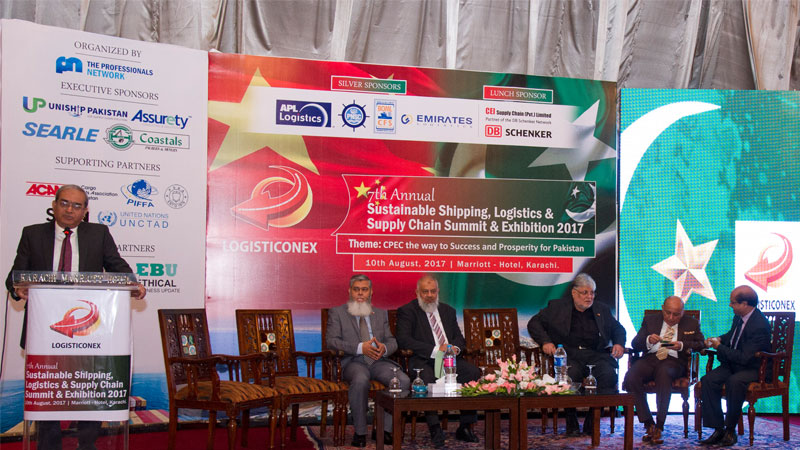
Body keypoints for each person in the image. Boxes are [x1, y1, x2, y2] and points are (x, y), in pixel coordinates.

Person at [5, 184, 145, 450]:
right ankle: (49, 446)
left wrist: (133, 284)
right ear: (54, 205)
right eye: (65, 203)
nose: (70, 210)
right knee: (48, 392)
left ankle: (87, 444)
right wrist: (17, 288)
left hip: (90, 332)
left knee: (88, 389)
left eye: (77, 205)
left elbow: (117, 266)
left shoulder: (99, 234)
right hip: (44, 331)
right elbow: (15, 276)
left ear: (85, 211)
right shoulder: (32, 234)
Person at [527, 272, 625, 436]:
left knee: (608, 375)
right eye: (585, 292)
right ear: (574, 293)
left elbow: (618, 329)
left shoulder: (601, 309)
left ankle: (592, 419)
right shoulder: (557, 307)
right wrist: (545, 342)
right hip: (569, 354)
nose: (589, 297)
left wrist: (619, 343)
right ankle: (571, 419)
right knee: (569, 376)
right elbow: (534, 323)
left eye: (592, 293)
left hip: (595, 354)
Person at [396, 274, 481, 448]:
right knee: (427, 377)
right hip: (423, 359)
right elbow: (404, 340)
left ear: (438, 292)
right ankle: (434, 428)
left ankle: (465, 426)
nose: (429, 295)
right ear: (417, 292)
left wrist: (454, 349)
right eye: (425, 291)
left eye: (432, 291)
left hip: (450, 360)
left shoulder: (448, 311)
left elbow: (459, 338)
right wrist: (436, 350)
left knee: (472, 372)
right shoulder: (408, 311)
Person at [325, 274, 409, 447]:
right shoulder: (337, 312)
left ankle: (384, 430)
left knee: (402, 380)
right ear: (350, 291)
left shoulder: (380, 314)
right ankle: (360, 432)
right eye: (356, 289)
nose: (360, 293)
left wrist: (384, 348)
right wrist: (359, 348)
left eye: (364, 290)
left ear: (371, 292)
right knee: (360, 380)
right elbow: (331, 341)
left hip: (378, 361)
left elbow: (392, 341)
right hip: (353, 361)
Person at [623, 295, 705, 444]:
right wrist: (648, 340)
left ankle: (659, 425)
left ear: (682, 312)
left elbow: (701, 344)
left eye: (676, 314)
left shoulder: (692, 323)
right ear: (662, 309)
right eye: (668, 313)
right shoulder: (650, 320)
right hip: (651, 358)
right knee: (631, 377)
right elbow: (635, 344)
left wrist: (682, 345)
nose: (671, 318)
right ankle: (648, 422)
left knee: (664, 372)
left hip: (674, 361)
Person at [699, 285, 771, 447]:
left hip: (755, 368)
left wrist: (719, 347)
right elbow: (732, 337)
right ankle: (718, 429)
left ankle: (730, 431)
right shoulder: (739, 317)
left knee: (734, 381)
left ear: (744, 304)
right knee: (708, 380)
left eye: (733, 302)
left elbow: (745, 358)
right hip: (735, 365)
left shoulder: (759, 325)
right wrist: (718, 339)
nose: (730, 305)